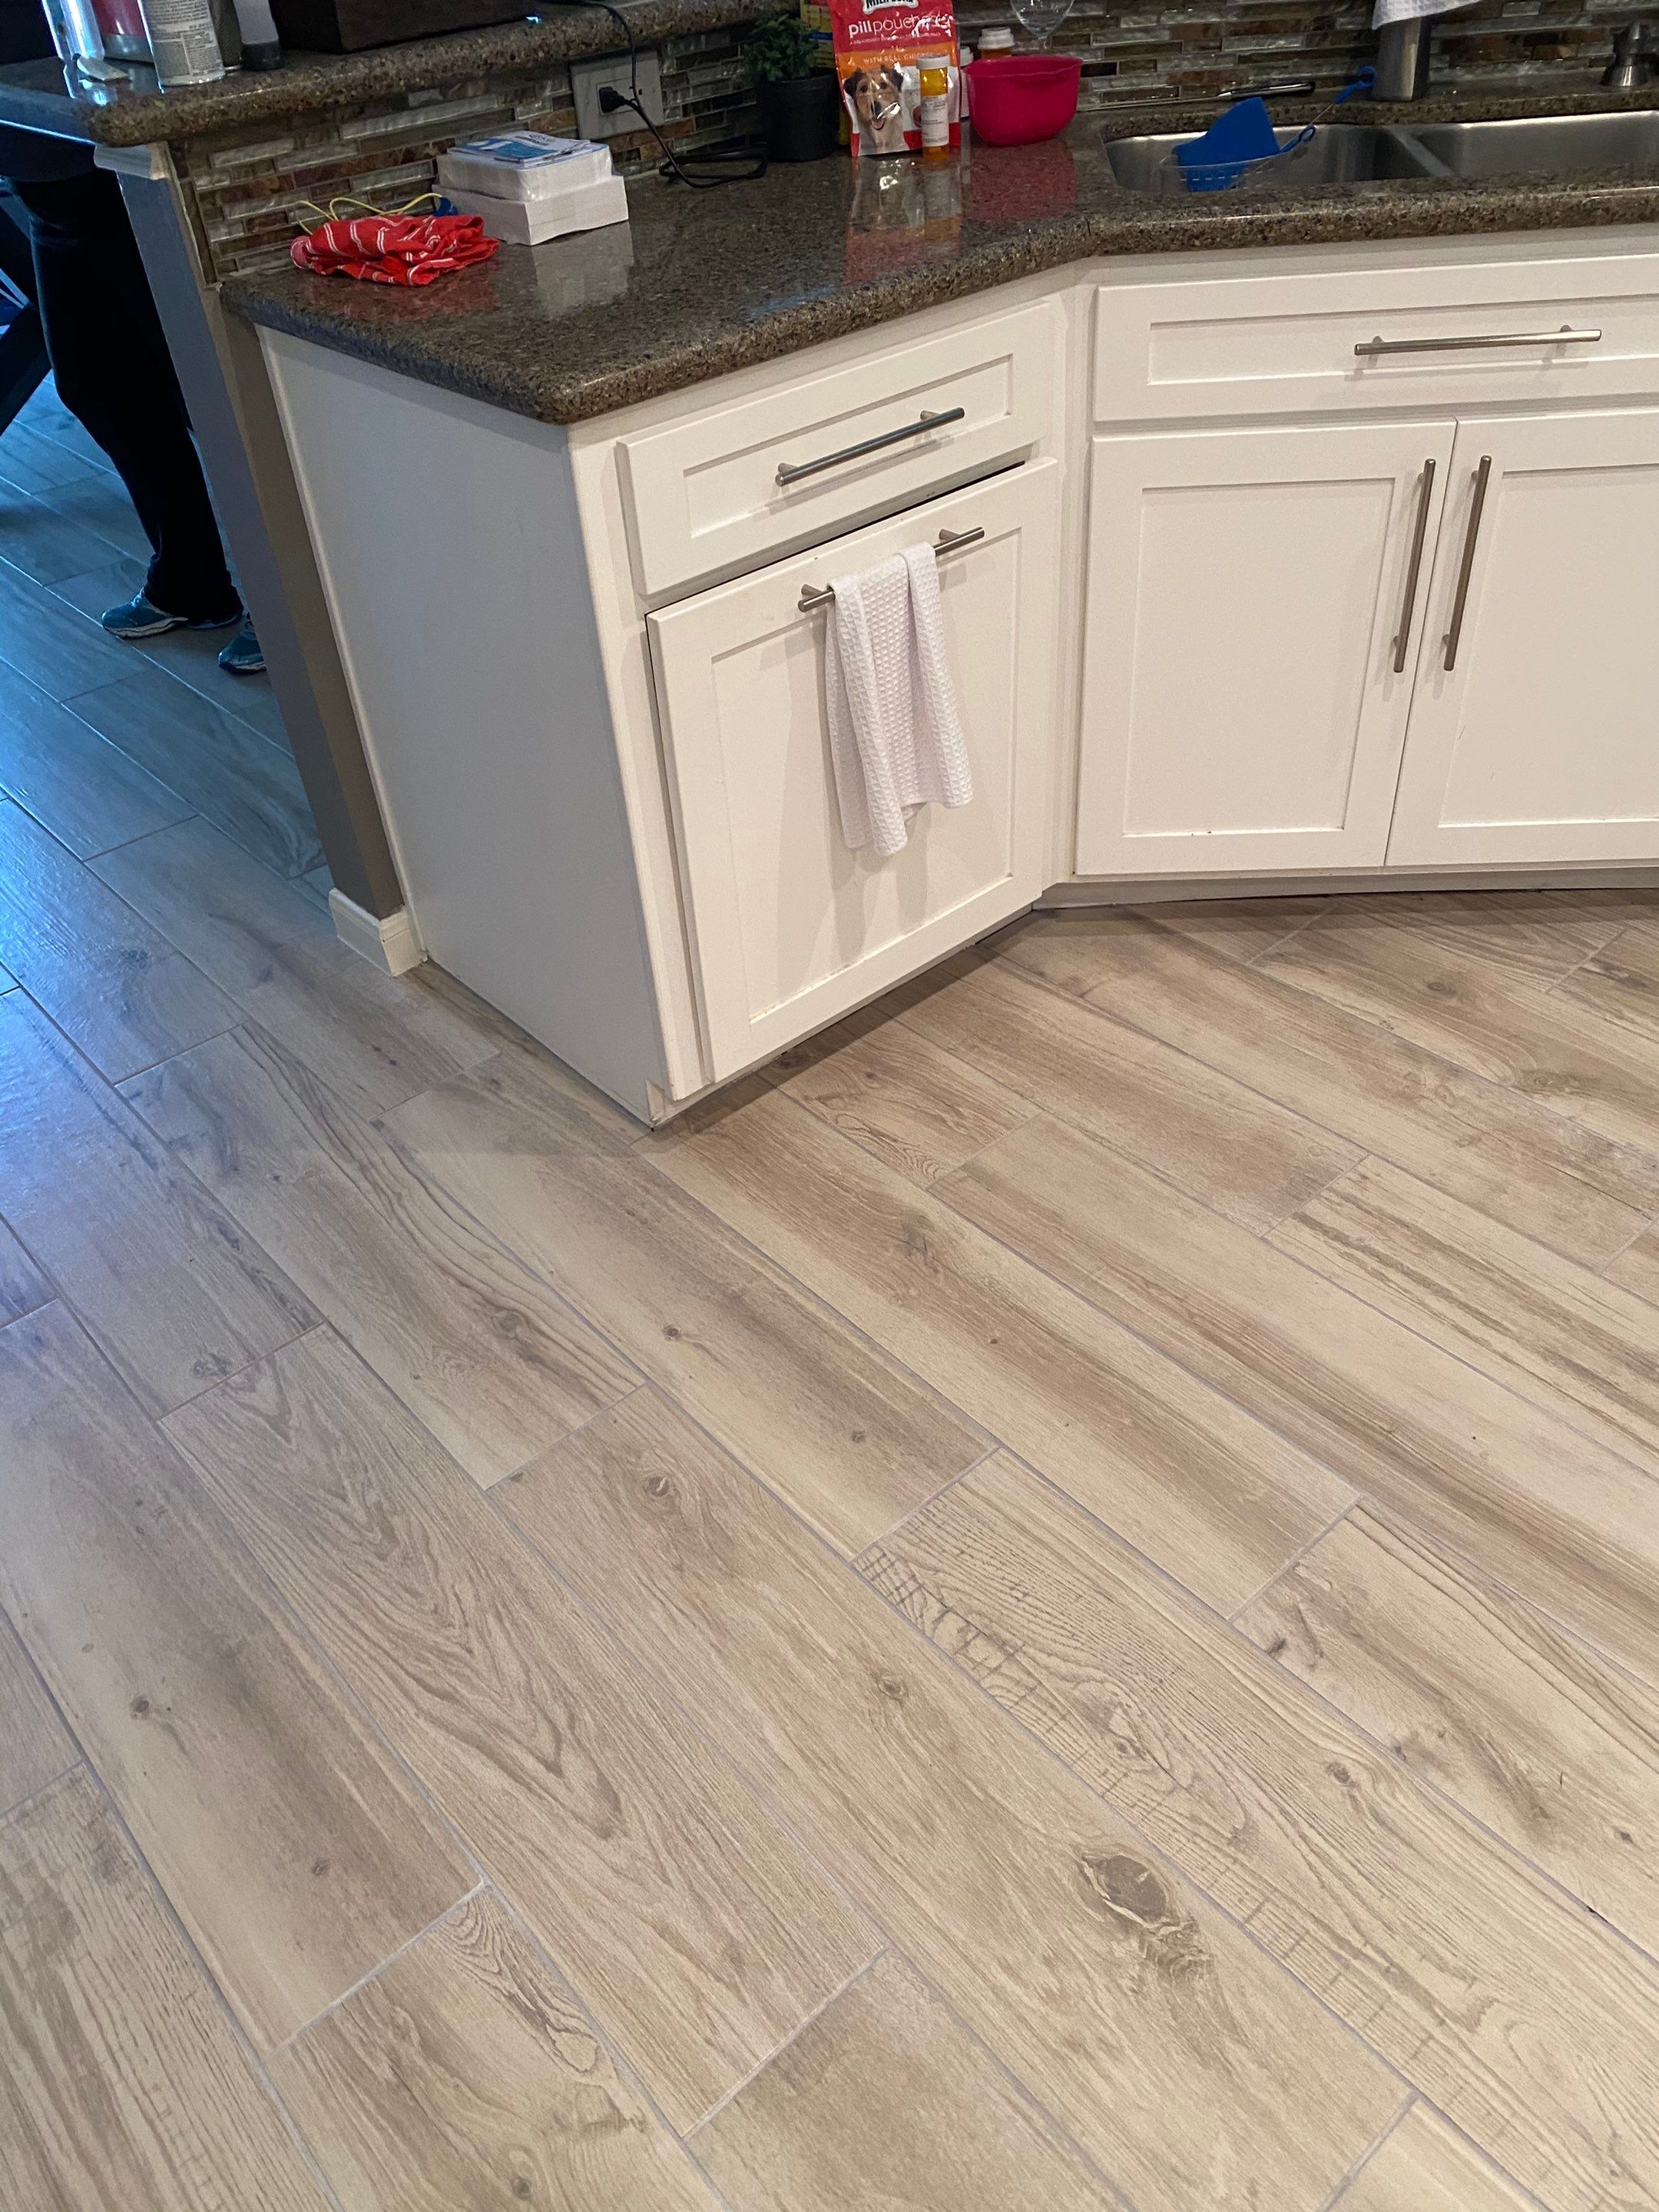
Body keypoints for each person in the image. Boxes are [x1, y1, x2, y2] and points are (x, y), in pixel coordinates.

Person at [0, 0, 263, 671]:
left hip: (124, 168)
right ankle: (191, 580)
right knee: (98, 386)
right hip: (46, 178)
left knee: (208, 397)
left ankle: (288, 607)